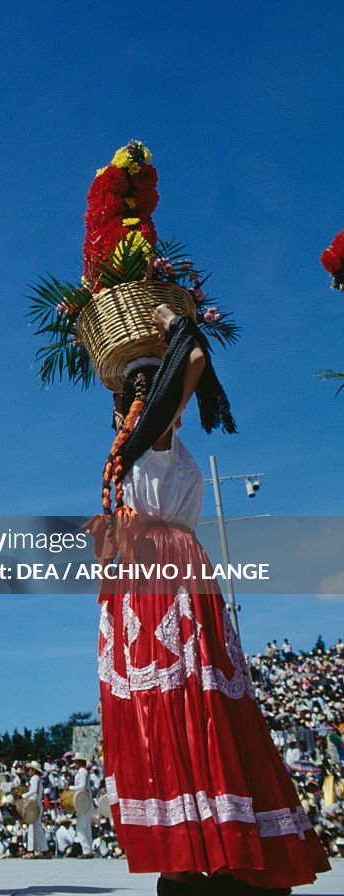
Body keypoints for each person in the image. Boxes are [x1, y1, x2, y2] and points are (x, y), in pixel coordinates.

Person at [88, 306, 331, 895]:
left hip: (162, 577)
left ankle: (208, 843)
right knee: (168, 707)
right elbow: (188, 363)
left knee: (184, 701)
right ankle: (196, 843)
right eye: (130, 394)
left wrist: (173, 329)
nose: (133, 403)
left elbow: (192, 361)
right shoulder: (134, 452)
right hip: (149, 579)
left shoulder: (150, 444)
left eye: (140, 391)